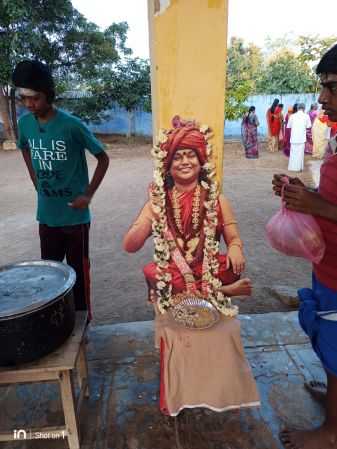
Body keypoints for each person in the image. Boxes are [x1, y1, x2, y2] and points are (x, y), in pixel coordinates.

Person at [124, 116, 259, 417]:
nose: (185, 162)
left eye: (191, 156)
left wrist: (235, 247)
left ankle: (213, 288)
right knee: (153, 272)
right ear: (167, 166)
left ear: (201, 161)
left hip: (207, 267)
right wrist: (150, 210)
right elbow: (130, 245)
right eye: (178, 157)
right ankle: (219, 292)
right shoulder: (158, 201)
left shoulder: (217, 199)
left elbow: (233, 235)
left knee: (230, 265)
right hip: (173, 270)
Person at [272, 43, 337, 449]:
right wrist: (303, 192)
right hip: (328, 263)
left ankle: (333, 433)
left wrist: (320, 206)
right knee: (328, 342)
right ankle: (334, 400)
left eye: (332, 87)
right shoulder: (336, 138)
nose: (322, 97)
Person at [13, 60, 110, 321]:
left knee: (78, 273)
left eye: (34, 97)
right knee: (51, 275)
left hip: (75, 220)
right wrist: (34, 177)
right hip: (47, 216)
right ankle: (57, 322)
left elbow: (103, 158)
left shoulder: (71, 125)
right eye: (23, 98)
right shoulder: (25, 125)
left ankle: (83, 322)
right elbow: (24, 147)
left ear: (49, 94)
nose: (29, 104)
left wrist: (87, 194)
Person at [286, 103, 311, 172]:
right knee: (300, 154)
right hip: (301, 138)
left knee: (293, 153)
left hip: (294, 137)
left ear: (297, 108)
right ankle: (299, 168)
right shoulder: (306, 116)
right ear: (304, 108)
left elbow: (289, 127)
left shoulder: (292, 116)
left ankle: (292, 167)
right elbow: (309, 127)